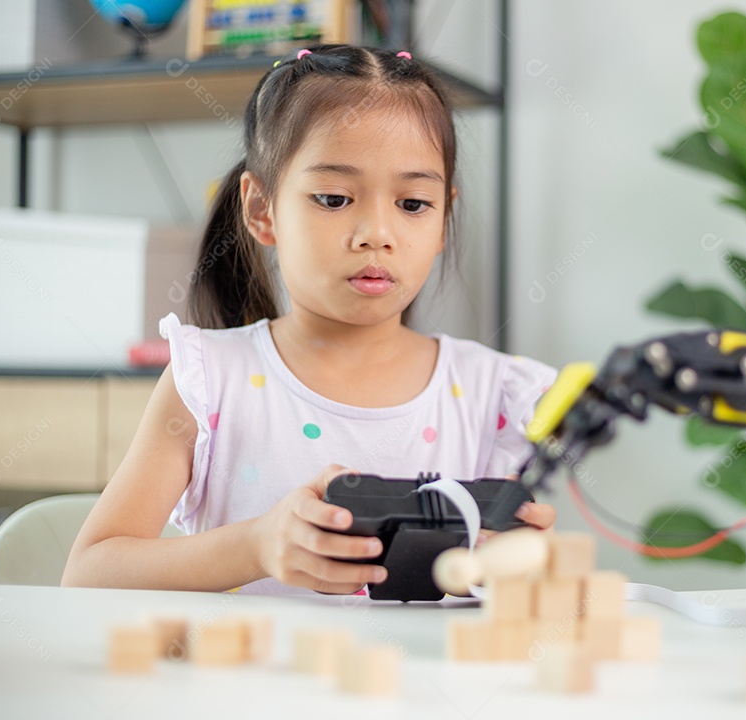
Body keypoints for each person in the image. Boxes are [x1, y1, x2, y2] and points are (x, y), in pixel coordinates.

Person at [62, 45, 557, 596]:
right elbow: (89, 574)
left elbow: (517, 589)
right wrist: (257, 545)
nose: (376, 232)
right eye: (334, 197)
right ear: (261, 209)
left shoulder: (494, 395)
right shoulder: (208, 382)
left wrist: (512, 570)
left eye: (413, 204)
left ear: (443, 218)